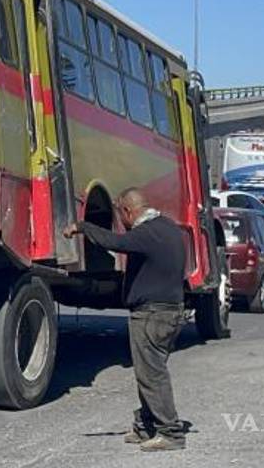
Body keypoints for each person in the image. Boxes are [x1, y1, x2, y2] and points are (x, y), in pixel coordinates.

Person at [64, 187, 187, 452]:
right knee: (149, 372)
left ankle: (170, 432)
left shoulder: (146, 233)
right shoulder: (169, 228)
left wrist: (82, 227)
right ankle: (146, 425)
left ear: (127, 211)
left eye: (120, 216)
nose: (121, 222)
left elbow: (115, 242)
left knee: (152, 375)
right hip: (170, 312)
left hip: (151, 315)